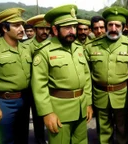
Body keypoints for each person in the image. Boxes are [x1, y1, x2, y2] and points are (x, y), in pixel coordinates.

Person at [31, 4, 93, 144]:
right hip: (59, 112)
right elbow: (39, 86)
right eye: (67, 28)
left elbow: (86, 77)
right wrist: (47, 113)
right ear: (55, 29)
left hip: (81, 109)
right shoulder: (45, 51)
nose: (72, 31)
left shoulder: (78, 48)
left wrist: (88, 103)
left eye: (74, 27)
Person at [84, 6, 128, 144]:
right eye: (110, 25)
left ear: (124, 27)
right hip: (100, 94)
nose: (113, 28)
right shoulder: (92, 46)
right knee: (103, 131)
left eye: (117, 25)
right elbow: (85, 75)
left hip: (122, 95)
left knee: (122, 130)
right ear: (106, 26)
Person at [0, 8, 32, 144]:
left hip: (24, 100)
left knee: (22, 137)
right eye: (16, 25)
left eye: (22, 25)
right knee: (6, 139)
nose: (22, 29)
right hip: (3, 102)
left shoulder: (26, 48)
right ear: (4, 28)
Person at [24, 14, 50, 144]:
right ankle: (39, 140)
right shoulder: (26, 46)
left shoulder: (53, 45)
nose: (44, 31)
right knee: (37, 117)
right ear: (34, 30)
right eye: (41, 28)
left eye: (47, 29)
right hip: (30, 88)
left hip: (50, 87)